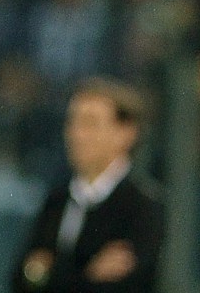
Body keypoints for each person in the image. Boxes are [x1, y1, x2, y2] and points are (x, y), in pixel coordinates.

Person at [12, 76, 166, 292]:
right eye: (72, 122)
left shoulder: (144, 207)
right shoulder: (57, 200)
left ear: (126, 133)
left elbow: (126, 285)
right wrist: (89, 274)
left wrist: (50, 273)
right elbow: (19, 280)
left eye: (90, 123)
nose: (76, 134)